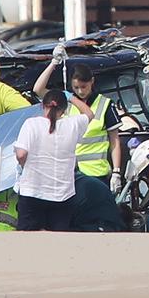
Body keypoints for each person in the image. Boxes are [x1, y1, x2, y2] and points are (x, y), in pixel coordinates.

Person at [33, 46, 126, 192]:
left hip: (97, 173)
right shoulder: (66, 101)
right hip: (71, 173)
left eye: (84, 86)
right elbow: (38, 90)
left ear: (92, 82)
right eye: (76, 87)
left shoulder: (105, 104)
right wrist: (54, 62)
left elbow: (115, 141)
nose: (80, 91)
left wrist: (116, 172)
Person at [13, 89, 94, 231]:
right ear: (64, 110)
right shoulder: (72, 125)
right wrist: (71, 98)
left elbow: (21, 154)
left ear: (42, 106)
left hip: (32, 190)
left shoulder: (31, 124)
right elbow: (89, 114)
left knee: (26, 241)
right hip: (62, 194)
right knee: (57, 241)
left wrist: (23, 166)